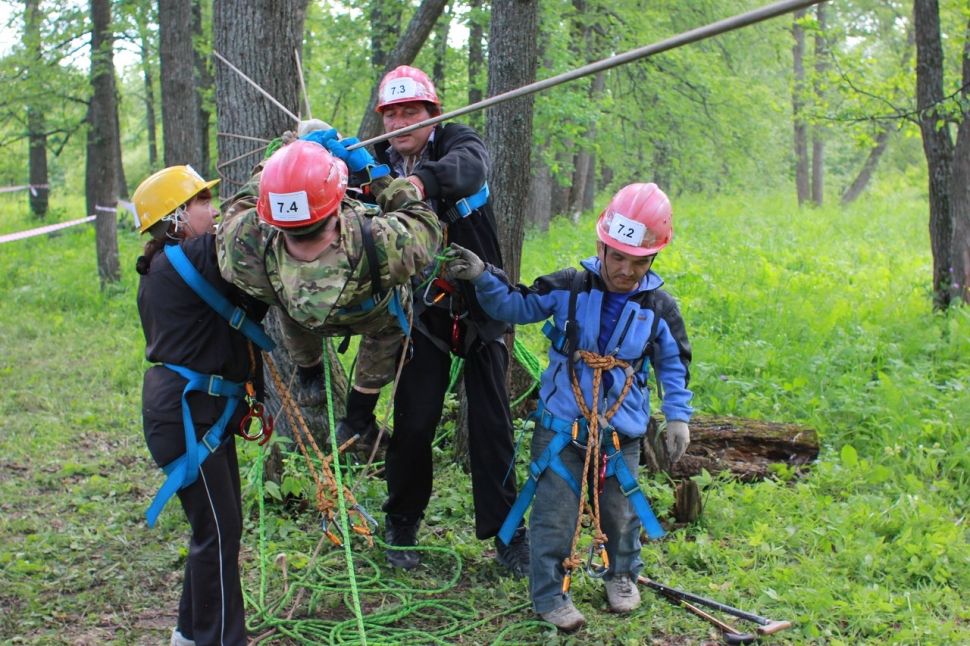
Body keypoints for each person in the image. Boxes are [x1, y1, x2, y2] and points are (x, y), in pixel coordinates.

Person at [446, 183, 694, 631]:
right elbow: (515, 305)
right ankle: (549, 595)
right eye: (617, 256)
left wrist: (677, 417)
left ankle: (621, 575)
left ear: (653, 258)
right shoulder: (569, 288)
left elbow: (673, 364)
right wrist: (483, 275)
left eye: (638, 262)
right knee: (553, 516)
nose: (625, 269)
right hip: (563, 427)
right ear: (601, 245)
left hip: (622, 433)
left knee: (622, 513)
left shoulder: (659, 308)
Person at [334, 65, 530, 576]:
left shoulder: (458, 141)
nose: (401, 123)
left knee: (492, 422)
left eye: (411, 112)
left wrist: (415, 182)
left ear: (432, 114)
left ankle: (508, 535)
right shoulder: (375, 159)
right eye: (392, 114)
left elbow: (468, 170)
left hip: (481, 300)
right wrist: (326, 155)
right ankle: (402, 522)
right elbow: (340, 193)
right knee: (415, 421)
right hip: (421, 312)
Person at [215, 135, 442, 458]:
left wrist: (277, 166)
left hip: (302, 317)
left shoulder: (246, 246)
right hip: (372, 315)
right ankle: (359, 414)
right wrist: (376, 175)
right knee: (390, 326)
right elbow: (424, 223)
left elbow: (236, 210)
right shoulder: (378, 240)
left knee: (289, 308)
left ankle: (310, 374)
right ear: (336, 200)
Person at [133, 165, 272, 646]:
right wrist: (273, 172)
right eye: (201, 204)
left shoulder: (168, 266)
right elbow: (249, 226)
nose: (212, 212)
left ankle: (190, 636)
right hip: (188, 416)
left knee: (218, 531)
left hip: (197, 413)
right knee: (217, 533)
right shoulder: (189, 257)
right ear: (176, 218)